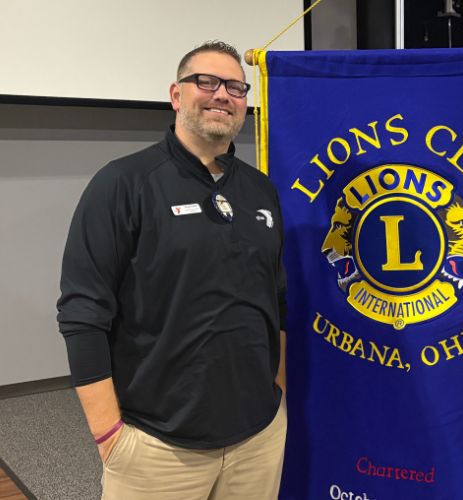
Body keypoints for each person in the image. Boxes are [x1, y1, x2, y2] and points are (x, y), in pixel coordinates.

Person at [57, 41, 287, 499]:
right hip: (158, 447)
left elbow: (277, 304)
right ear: (176, 95)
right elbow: (82, 315)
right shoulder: (123, 184)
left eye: (236, 87)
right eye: (206, 81)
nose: (223, 94)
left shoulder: (261, 192)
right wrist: (109, 437)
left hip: (258, 439)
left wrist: (277, 398)